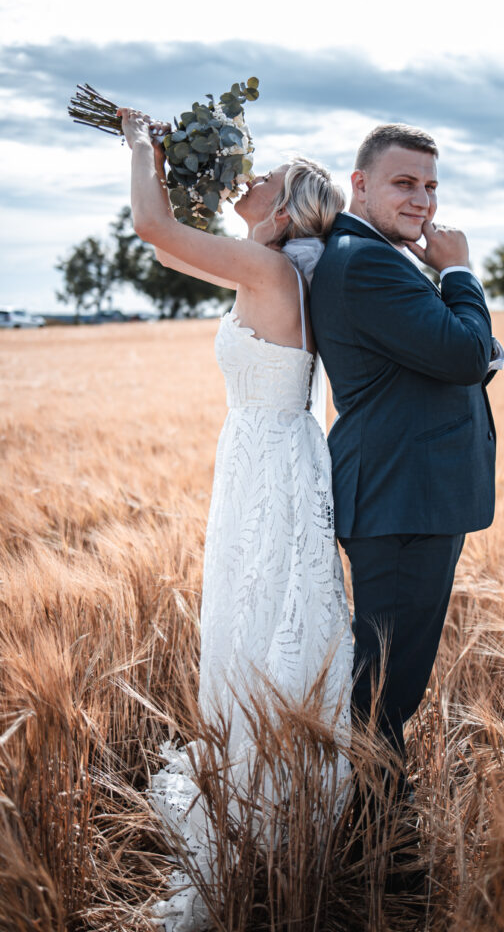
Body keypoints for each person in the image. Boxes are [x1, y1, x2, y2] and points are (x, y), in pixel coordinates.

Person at [117, 108, 353, 932]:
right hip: (262, 458)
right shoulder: (265, 267)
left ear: (283, 210)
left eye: (264, 177)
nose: (247, 177)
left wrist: (141, 145)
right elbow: (165, 247)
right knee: (252, 617)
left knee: (258, 620)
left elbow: (152, 227)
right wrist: (178, 172)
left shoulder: (268, 270)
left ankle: (265, 797)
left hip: (267, 466)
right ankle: (259, 781)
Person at [310, 123, 501, 796]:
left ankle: (374, 820)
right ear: (359, 184)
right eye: (404, 183)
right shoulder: (365, 261)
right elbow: (464, 354)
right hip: (401, 498)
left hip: (408, 494)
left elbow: (453, 356)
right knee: (387, 686)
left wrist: (471, 346)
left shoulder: (374, 256)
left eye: (430, 186)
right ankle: (375, 833)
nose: (422, 200)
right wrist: (459, 272)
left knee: (392, 679)